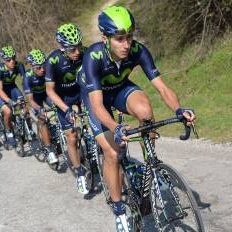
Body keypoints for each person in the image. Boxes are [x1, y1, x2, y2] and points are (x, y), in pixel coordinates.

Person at [78, 6, 196, 231]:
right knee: (112, 152)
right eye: (119, 39)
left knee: (146, 114)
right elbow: (97, 105)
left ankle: (151, 166)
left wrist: (179, 110)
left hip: (120, 88)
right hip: (96, 98)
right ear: (105, 38)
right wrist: (116, 127)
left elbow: (162, 88)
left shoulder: (138, 51)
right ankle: (119, 210)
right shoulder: (93, 56)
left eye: (129, 37)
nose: (126, 44)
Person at [45, 23, 88, 194]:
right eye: (72, 49)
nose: (77, 51)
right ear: (62, 48)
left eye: (79, 46)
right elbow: (49, 91)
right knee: (71, 136)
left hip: (80, 93)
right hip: (62, 98)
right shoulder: (53, 60)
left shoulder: (85, 53)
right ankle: (79, 173)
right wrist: (66, 109)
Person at [24, 49, 58, 164]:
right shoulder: (27, 77)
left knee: (58, 108)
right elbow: (30, 100)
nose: (42, 70)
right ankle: (49, 150)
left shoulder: (48, 71)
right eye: (38, 67)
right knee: (42, 119)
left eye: (43, 66)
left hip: (47, 94)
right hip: (35, 99)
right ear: (32, 67)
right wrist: (39, 109)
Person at [0, 45, 26, 148]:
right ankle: (8, 132)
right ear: (4, 60)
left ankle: (27, 128)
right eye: (8, 60)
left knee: (23, 104)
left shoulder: (19, 65)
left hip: (12, 88)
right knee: (8, 111)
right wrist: (9, 100)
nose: (12, 61)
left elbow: (25, 82)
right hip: (1, 91)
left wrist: (28, 95)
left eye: (13, 58)